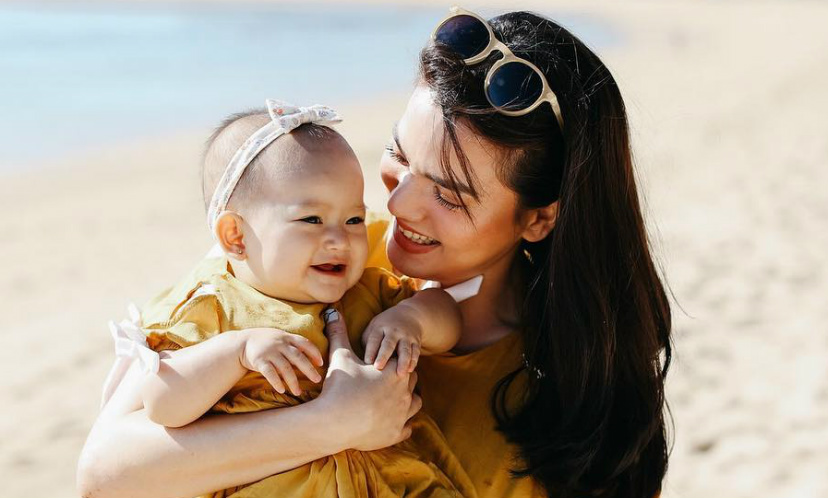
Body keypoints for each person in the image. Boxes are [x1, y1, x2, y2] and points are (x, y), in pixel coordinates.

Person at [78, 8, 671, 498]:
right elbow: (104, 474)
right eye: (400, 154)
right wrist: (327, 424)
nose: (402, 202)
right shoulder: (306, 255)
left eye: (448, 193)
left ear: (539, 219)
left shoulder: (568, 405)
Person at [104, 100, 476, 498]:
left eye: (353, 219)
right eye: (311, 220)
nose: (340, 239)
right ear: (236, 237)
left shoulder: (367, 291)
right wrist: (236, 352)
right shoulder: (214, 307)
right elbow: (163, 404)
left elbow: (449, 319)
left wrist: (414, 318)